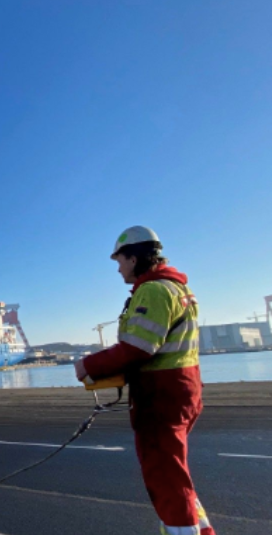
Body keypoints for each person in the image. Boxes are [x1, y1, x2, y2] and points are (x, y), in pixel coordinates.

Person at [75, 226, 214, 535]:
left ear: (135, 259)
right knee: (174, 471)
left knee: (165, 475)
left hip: (162, 396)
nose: (118, 268)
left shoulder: (153, 290)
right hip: (181, 390)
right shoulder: (178, 289)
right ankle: (201, 530)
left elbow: (139, 347)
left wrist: (87, 364)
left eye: (120, 260)